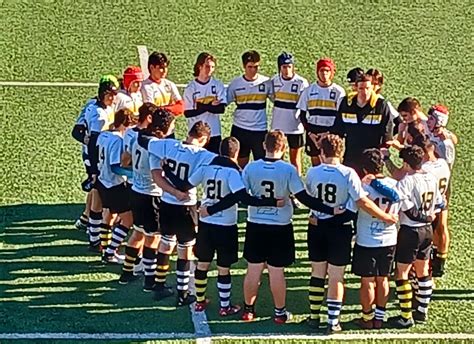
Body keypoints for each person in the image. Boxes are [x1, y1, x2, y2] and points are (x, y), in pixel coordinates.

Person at [163, 137, 283, 316]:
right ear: (235, 153)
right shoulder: (233, 172)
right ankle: (225, 306)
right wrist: (272, 201)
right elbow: (242, 198)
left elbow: (184, 185)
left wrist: (166, 170)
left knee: (202, 264)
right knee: (223, 268)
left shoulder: (206, 168)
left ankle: (200, 301)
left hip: (206, 225)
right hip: (225, 225)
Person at [240, 130, 342, 324]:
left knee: (253, 269)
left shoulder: (251, 168)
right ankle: (279, 313)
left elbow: (243, 197)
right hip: (280, 226)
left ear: (264, 146)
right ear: (284, 147)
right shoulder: (288, 170)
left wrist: (264, 202)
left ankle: (248, 310)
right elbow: (303, 198)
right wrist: (329, 209)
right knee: (276, 271)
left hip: (255, 225)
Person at [304, 134, 397, 334]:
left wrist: (321, 217)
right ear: (341, 151)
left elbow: (310, 199)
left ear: (321, 152)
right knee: (336, 277)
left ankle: (313, 317)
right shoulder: (348, 174)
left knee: (317, 273)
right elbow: (360, 201)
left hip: (317, 227)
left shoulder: (312, 172)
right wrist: (385, 216)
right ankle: (333, 321)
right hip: (340, 229)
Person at [141, 120, 216, 306]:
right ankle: (182, 293)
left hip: (166, 202)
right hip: (186, 205)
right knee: (186, 248)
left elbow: (143, 140)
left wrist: (172, 190)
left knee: (166, 242)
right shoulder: (202, 154)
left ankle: (159, 284)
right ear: (204, 138)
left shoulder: (168, 145)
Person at [391, 146, 442, 328]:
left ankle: (406, 317)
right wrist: (429, 218)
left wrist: (424, 217)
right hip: (427, 231)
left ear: (406, 163)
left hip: (411, 231)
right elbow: (439, 204)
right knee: (422, 272)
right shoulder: (431, 178)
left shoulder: (406, 182)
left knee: (402, 273)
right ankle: (422, 310)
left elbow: (409, 211)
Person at [352, 149, 402, 330]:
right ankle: (380, 317)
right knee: (383, 279)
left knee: (367, 281)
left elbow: (354, 207)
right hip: (389, 239)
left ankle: (367, 318)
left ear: (364, 168)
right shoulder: (395, 184)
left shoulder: (362, 186)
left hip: (366, 239)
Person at [118, 103, 162, 289]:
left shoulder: (134, 138)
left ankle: (127, 272)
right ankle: (150, 279)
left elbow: (124, 160)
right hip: (152, 194)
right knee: (153, 237)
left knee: (137, 232)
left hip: (136, 190)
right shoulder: (155, 143)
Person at [93, 109, 134, 264]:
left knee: (109, 215)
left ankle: (104, 248)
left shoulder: (104, 135)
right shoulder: (117, 140)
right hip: (114, 184)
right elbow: (115, 167)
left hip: (102, 181)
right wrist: (134, 173)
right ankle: (110, 253)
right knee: (128, 220)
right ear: (125, 123)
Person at [83, 75, 119, 250]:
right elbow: (93, 143)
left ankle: (93, 235)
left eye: (114, 94)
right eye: (109, 94)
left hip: (98, 158)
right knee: (98, 199)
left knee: (97, 198)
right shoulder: (99, 114)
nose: (112, 98)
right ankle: (94, 237)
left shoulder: (97, 106)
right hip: (97, 159)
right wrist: (93, 168)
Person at [335, 73, 393, 176]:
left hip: (373, 158)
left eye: (367, 88)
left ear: (372, 88)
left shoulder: (381, 105)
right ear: (356, 88)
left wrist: (384, 149)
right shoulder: (346, 104)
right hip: (351, 155)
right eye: (361, 88)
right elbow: (338, 128)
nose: (365, 92)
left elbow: (387, 131)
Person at [296, 58, 345, 166]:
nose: (324, 74)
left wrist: (328, 133)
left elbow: (341, 116)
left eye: (327, 71)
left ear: (332, 73)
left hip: (331, 133)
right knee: (316, 163)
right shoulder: (309, 91)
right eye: (322, 70)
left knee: (332, 162)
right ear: (317, 72)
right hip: (313, 132)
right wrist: (310, 133)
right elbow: (302, 114)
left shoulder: (339, 92)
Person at [414, 135, 451, 278]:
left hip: (428, 207)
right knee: (442, 230)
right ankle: (440, 263)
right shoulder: (443, 163)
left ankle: (423, 272)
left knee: (423, 241)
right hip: (441, 203)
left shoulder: (424, 169)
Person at [227, 50, 271, 168]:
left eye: (256, 67)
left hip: (259, 130)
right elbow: (224, 102)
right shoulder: (235, 84)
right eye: (250, 67)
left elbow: (277, 100)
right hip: (240, 129)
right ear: (243, 66)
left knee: (261, 165)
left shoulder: (266, 82)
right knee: (239, 165)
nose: (253, 70)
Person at [270, 52, 309, 176]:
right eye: (284, 67)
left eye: (289, 66)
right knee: (277, 157)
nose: (287, 70)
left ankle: (295, 186)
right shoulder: (274, 81)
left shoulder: (301, 82)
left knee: (295, 158)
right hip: (278, 125)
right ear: (279, 68)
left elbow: (304, 103)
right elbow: (272, 98)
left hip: (295, 127)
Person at [184, 52, 227, 154]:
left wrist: (201, 107)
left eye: (212, 67)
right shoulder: (191, 88)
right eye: (207, 66)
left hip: (214, 133)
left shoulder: (218, 85)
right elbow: (188, 113)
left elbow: (221, 109)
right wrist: (210, 106)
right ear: (199, 66)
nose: (210, 70)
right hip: (196, 135)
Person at [141, 51, 184, 134]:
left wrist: (162, 109)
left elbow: (181, 107)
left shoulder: (170, 84)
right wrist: (170, 108)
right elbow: (151, 111)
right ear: (152, 67)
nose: (164, 71)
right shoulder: (146, 87)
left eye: (166, 67)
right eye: (161, 67)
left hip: (169, 130)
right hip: (154, 130)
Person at [366, 68, 401, 135]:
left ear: (380, 85)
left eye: (375, 83)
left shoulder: (382, 102)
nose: (372, 86)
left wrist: (387, 136)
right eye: (370, 83)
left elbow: (399, 121)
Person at [426, 104, 457, 169]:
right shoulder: (431, 132)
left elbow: (447, 166)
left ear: (439, 122)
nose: (427, 121)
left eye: (431, 119)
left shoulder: (445, 143)